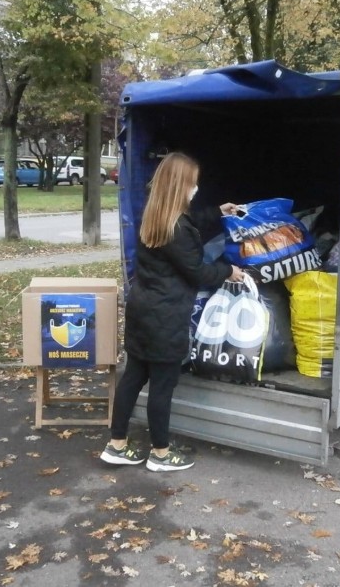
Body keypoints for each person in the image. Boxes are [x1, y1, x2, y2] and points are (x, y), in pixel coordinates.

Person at [100, 152, 244, 472]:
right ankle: (162, 454)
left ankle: (117, 445)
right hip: (164, 317)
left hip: (144, 309)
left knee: (133, 378)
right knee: (162, 387)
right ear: (181, 186)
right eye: (192, 183)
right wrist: (227, 271)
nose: (195, 188)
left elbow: (189, 224)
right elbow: (196, 271)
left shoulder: (157, 214)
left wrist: (218, 213)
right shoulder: (176, 227)